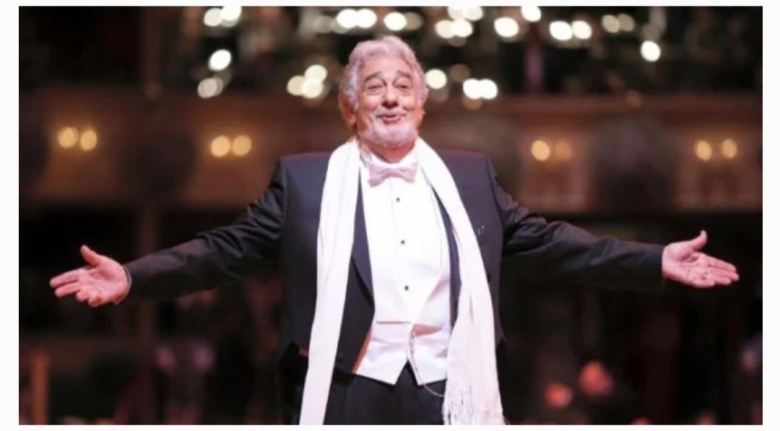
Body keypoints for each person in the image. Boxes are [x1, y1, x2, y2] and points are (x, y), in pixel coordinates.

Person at [49, 36, 739, 425]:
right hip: (349, 388)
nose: (390, 96)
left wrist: (654, 260)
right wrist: (132, 276)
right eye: (374, 86)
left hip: (447, 384)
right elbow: (223, 250)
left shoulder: (471, 177)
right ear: (350, 109)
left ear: (422, 104)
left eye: (403, 85)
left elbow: (556, 244)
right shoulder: (306, 181)